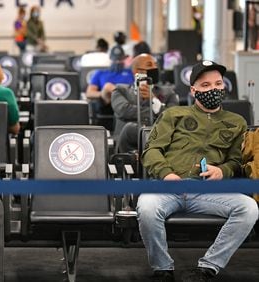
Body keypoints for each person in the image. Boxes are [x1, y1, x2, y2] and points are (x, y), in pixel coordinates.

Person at [137, 60, 258, 282]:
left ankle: (209, 267)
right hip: (168, 186)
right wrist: (167, 174)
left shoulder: (237, 122)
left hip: (208, 192)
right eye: (205, 85)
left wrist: (222, 171)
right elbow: (151, 150)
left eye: (218, 83)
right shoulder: (174, 114)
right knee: (146, 207)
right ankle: (163, 269)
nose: (213, 89)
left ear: (224, 87)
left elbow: (236, 161)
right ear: (193, 90)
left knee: (249, 208)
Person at [111, 54, 178, 153]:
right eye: (149, 65)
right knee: (129, 128)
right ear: (136, 71)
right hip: (125, 145)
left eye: (155, 65)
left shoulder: (168, 93)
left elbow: (173, 117)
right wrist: (156, 111)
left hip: (157, 141)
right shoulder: (120, 90)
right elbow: (124, 111)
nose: (154, 68)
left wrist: (153, 99)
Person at [86, 46, 134, 120]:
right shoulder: (100, 73)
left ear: (124, 59)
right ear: (111, 59)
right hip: (107, 103)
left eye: (120, 59)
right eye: (115, 60)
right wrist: (104, 92)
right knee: (108, 86)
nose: (117, 62)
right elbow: (89, 93)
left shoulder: (130, 73)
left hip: (127, 101)